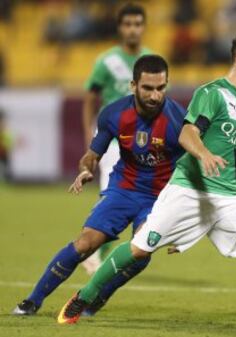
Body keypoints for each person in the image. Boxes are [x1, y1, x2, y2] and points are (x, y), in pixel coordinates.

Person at [57, 33, 236, 325]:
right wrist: (204, 155)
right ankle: (84, 296)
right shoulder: (212, 93)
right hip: (189, 190)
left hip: (226, 196)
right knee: (139, 248)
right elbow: (188, 134)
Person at [13, 55, 186, 316]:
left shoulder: (179, 122)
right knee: (84, 243)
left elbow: (191, 171)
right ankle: (32, 301)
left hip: (159, 198)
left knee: (141, 251)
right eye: (147, 88)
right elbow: (92, 155)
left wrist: (185, 223)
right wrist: (85, 170)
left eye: (160, 88)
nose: (154, 96)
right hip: (123, 189)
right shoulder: (114, 114)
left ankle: (98, 296)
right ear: (133, 86)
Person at [82, 3, 151, 274]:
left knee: (139, 199)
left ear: (144, 27)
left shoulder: (151, 59)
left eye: (137, 24)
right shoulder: (107, 60)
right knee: (114, 195)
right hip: (112, 139)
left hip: (144, 141)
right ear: (120, 27)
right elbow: (90, 97)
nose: (133, 29)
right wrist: (90, 130)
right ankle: (94, 251)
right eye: (128, 24)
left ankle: (98, 251)